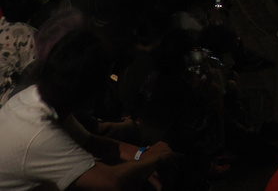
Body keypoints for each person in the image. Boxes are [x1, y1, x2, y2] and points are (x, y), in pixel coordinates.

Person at [0, 28, 175, 191]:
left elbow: (92, 143)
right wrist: (154, 158)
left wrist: (142, 156)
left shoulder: (40, 97)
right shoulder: (39, 134)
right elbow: (111, 181)